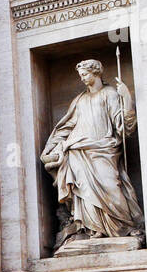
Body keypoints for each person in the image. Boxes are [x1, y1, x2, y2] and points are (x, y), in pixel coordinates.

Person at [41, 59, 143, 246]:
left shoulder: (110, 94)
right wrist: (51, 147)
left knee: (112, 185)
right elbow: (66, 127)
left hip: (104, 148)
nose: (82, 79)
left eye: (85, 74)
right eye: (80, 76)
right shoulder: (79, 100)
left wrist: (126, 98)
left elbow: (123, 126)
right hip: (79, 150)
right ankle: (94, 229)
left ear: (96, 73)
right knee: (84, 190)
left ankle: (123, 226)